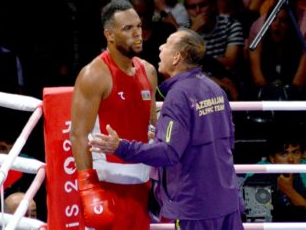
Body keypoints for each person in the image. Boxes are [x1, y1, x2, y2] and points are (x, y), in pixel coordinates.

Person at [89, 28, 244, 230]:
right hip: (226, 200)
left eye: (167, 44)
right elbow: (227, 139)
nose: (160, 47)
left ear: (176, 57)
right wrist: (163, 133)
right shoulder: (214, 88)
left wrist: (121, 147)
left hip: (196, 208)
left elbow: (169, 153)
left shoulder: (178, 95)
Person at [70, 1, 157, 230]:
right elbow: (78, 135)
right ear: (109, 34)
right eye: (127, 28)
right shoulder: (94, 75)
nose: (137, 33)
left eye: (138, 26)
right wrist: (88, 189)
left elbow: (152, 126)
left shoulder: (148, 71)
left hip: (141, 186)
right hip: (107, 187)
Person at [244, 124, 306, 221]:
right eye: (283, 154)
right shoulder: (258, 179)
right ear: (272, 159)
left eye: (295, 153)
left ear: (302, 155)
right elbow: (257, 222)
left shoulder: (301, 173)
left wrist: (289, 190)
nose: (291, 159)